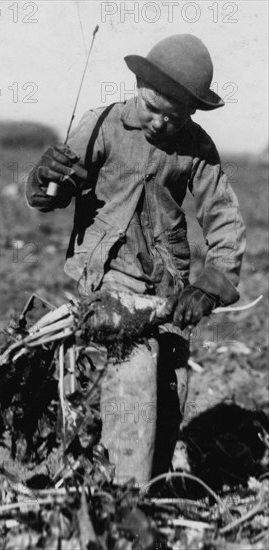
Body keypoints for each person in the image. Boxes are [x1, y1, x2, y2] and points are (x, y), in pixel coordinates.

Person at [25, 34, 246, 485]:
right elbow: (53, 194)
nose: (161, 123)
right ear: (137, 85)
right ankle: (121, 496)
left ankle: (153, 483)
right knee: (135, 370)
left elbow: (224, 220)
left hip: (166, 284)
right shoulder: (101, 124)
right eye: (152, 107)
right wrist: (45, 179)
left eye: (175, 115)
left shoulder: (198, 150)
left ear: (191, 113)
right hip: (109, 278)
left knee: (171, 380)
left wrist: (210, 284)